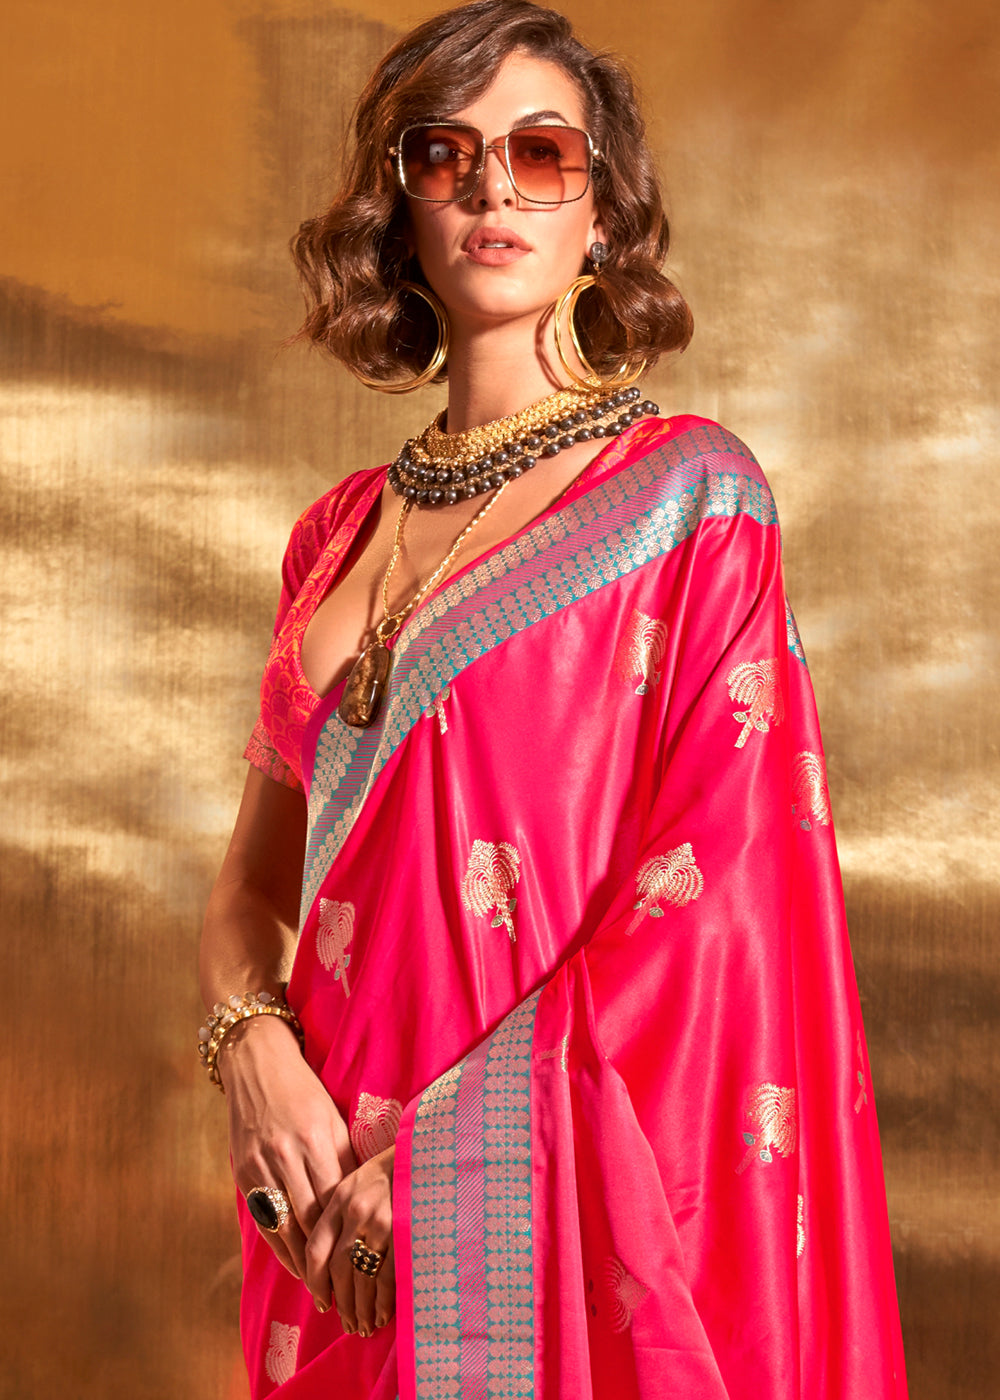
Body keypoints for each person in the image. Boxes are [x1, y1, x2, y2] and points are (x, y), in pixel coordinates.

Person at [199, 2, 909, 1396]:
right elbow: (252, 888)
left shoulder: (690, 499)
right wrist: (252, 1052)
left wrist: (447, 1158)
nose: (494, 190)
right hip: (321, 1194)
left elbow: (721, 900)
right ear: (397, 209)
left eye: (542, 154)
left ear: (605, 214)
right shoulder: (331, 537)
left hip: (524, 1203)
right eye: (444, 154)